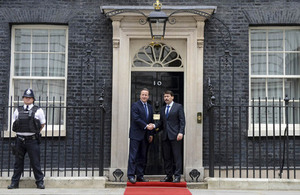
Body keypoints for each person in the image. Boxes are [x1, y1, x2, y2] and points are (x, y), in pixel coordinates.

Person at [8, 88, 46, 189]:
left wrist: (34, 131)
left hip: (32, 140)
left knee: (35, 162)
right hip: (19, 140)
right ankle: (14, 183)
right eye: (26, 97)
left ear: (33, 99)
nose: (27, 99)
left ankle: (39, 182)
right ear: (23, 98)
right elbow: (14, 123)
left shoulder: (38, 110)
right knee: (18, 163)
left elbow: (42, 124)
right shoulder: (17, 110)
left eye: (29, 98)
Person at [153, 90, 185, 183]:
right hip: (165, 136)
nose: (166, 98)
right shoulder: (162, 109)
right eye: (165, 97)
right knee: (167, 157)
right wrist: (154, 126)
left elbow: (182, 121)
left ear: (172, 97)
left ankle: (177, 176)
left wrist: (181, 132)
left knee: (176, 157)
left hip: (176, 136)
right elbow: (161, 122)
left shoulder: (178, 107)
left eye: (167, 96)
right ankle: (169, 176)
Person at [127, 88, 154, 184]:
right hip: (136, 135)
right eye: (143, 94)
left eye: (146, 95)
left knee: (143, 156)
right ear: (140, 95)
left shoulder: (150, 107)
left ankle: (140, 175)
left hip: (145, 136)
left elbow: (151, 120)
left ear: (148, 96)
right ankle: (131, 175)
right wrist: (146, 126)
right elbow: (136, 118)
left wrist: (150, 134)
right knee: (133, 156)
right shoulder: (135, 105)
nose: (144, 96)